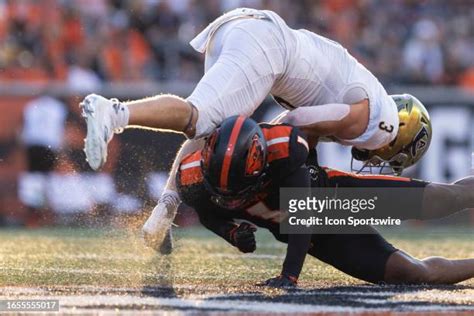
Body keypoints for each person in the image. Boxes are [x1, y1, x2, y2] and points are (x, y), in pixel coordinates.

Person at [78, 8, 429, 248]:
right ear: (400, 133)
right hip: (266, 46)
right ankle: (114, 113)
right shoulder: (378, 125)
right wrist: (273, 153)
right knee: (200, 117)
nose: (378, 155)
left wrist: (286, 149)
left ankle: (163, 212)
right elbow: (295, 122)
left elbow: (304, 127)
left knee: (209, 131)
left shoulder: (364, 98)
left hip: (247, 31)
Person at [175, 116, 474, 288]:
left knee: (442, 199)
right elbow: (206, 211)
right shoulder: (192, 180)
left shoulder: (284, 149)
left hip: (334, 196)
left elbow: (304, 213)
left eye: (239, 189)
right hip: (322, 236)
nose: (231, 198)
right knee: (411, 274)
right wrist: (230, 232)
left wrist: (289, 275)